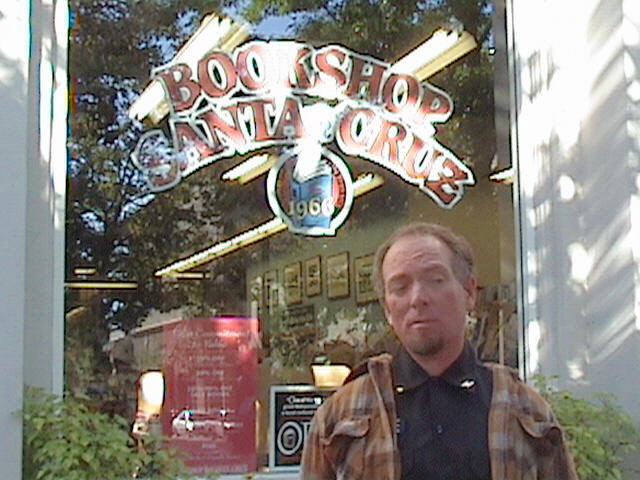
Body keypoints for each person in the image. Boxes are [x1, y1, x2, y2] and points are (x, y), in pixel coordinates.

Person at [300, 222, 578, 480]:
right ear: (387, 308)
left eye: (435, 280)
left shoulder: (525, 410)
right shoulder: (341, 414)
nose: (418, 298)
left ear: (469, 292)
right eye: (400, 287)